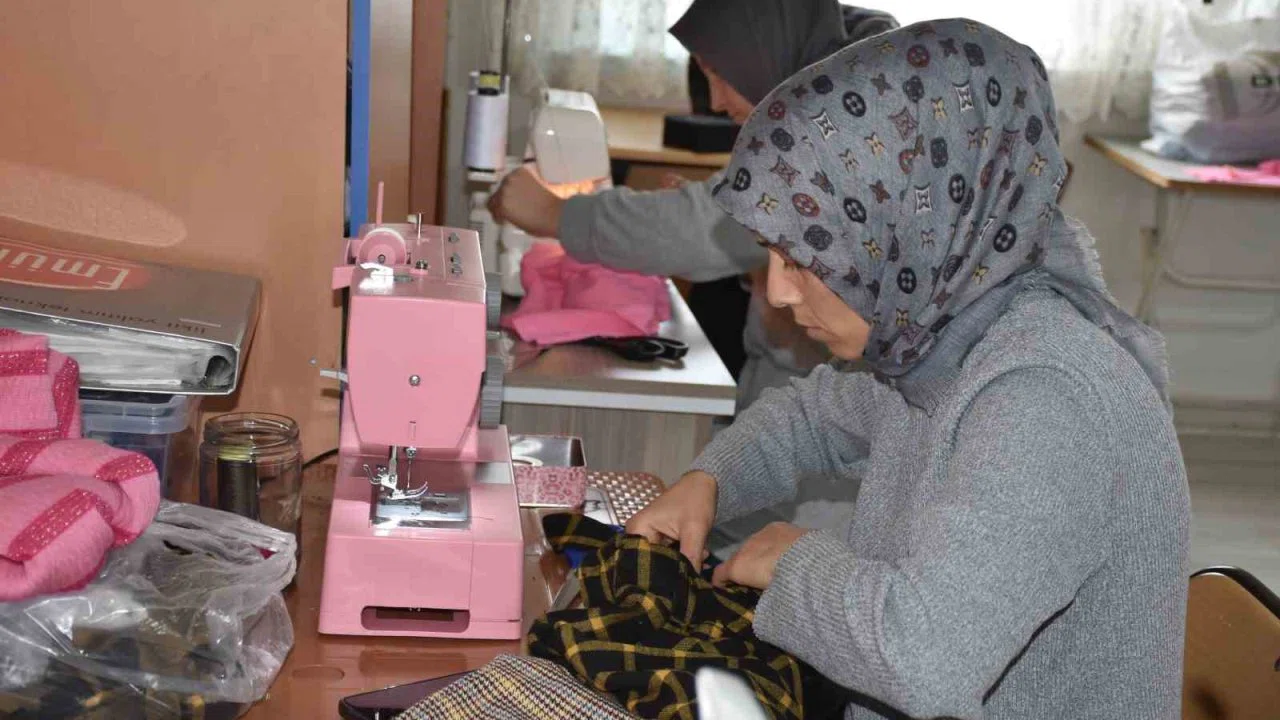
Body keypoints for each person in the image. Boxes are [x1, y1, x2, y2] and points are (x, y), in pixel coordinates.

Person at [626, 19, 1190, 720]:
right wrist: (709, 481)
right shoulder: (933, 335)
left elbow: (925, 657)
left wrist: (792, 561)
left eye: (801, 258)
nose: (778, 291)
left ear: (900, 231)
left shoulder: (1047, 398)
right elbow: (811, 416)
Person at [489, 0, 896, 413]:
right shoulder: (826, 91)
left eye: (718, 72)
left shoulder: (838, 128)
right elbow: (732, 219)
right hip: (789, 382)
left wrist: (555, 213)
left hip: (815, 403)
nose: (715, 101)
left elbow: (698, 227)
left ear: (760, 52)